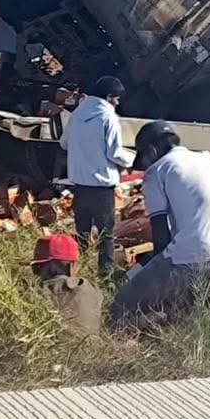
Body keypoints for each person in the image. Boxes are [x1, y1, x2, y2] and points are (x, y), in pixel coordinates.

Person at [108, 121, 210, 326]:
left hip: (195, 257)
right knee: (207, 320)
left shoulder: (157, 170)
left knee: (122, 305)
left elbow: (161, 241)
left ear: (152, 151)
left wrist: (134, 273)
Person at [61, 75, 132, 276]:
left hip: (80, 185)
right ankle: (105, 274)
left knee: (82, 232)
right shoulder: (108, 117)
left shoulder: (77, 114)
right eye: (116, 98)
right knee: (105, 234)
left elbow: (64, 143)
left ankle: (79, 269)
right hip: (102, 187)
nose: (117, 103)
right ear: (109, 96)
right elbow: (114, 153)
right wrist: (133, 159)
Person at [31, 233, 103, 335]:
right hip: (94, 344)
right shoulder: (92, 289)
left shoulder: (36, 295)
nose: (37, 274)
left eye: (37, 269)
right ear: (71, 266)